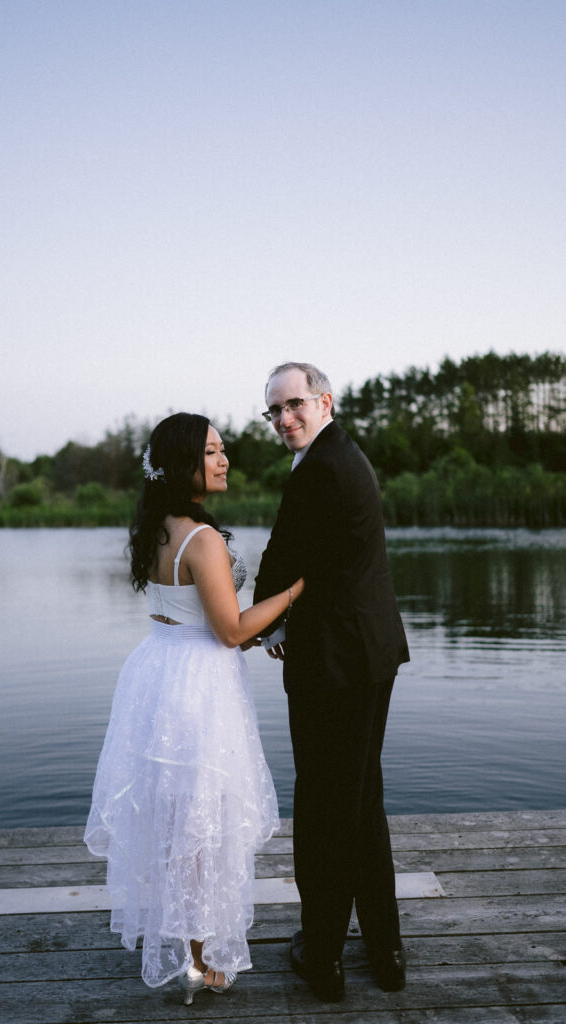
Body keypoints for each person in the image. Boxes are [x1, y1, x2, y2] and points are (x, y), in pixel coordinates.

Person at [84, 412, 304, 1004]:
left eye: (222, 448)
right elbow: (230, 630)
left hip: (160, 669)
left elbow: (202, 619)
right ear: (183, 464)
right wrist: (294, 592)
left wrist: (262, 627)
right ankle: (203, 958)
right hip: (198, 686)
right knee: (203, 823)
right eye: (211, 451)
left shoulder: (159, 527)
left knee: (177, 818)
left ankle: (188, 947)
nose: (224, 459)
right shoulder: (201, 539)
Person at [253, 362, 410, 1002]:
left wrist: (262, 626)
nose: (284, 420)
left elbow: (284, 557)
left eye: (294, 405)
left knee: (322, 808)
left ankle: (322, 959)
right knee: (360, 800)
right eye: (273, 412)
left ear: (325, 401)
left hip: (335, 664)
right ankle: (386, 951)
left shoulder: (319, 468)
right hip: (368, 652)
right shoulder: (348, 457)